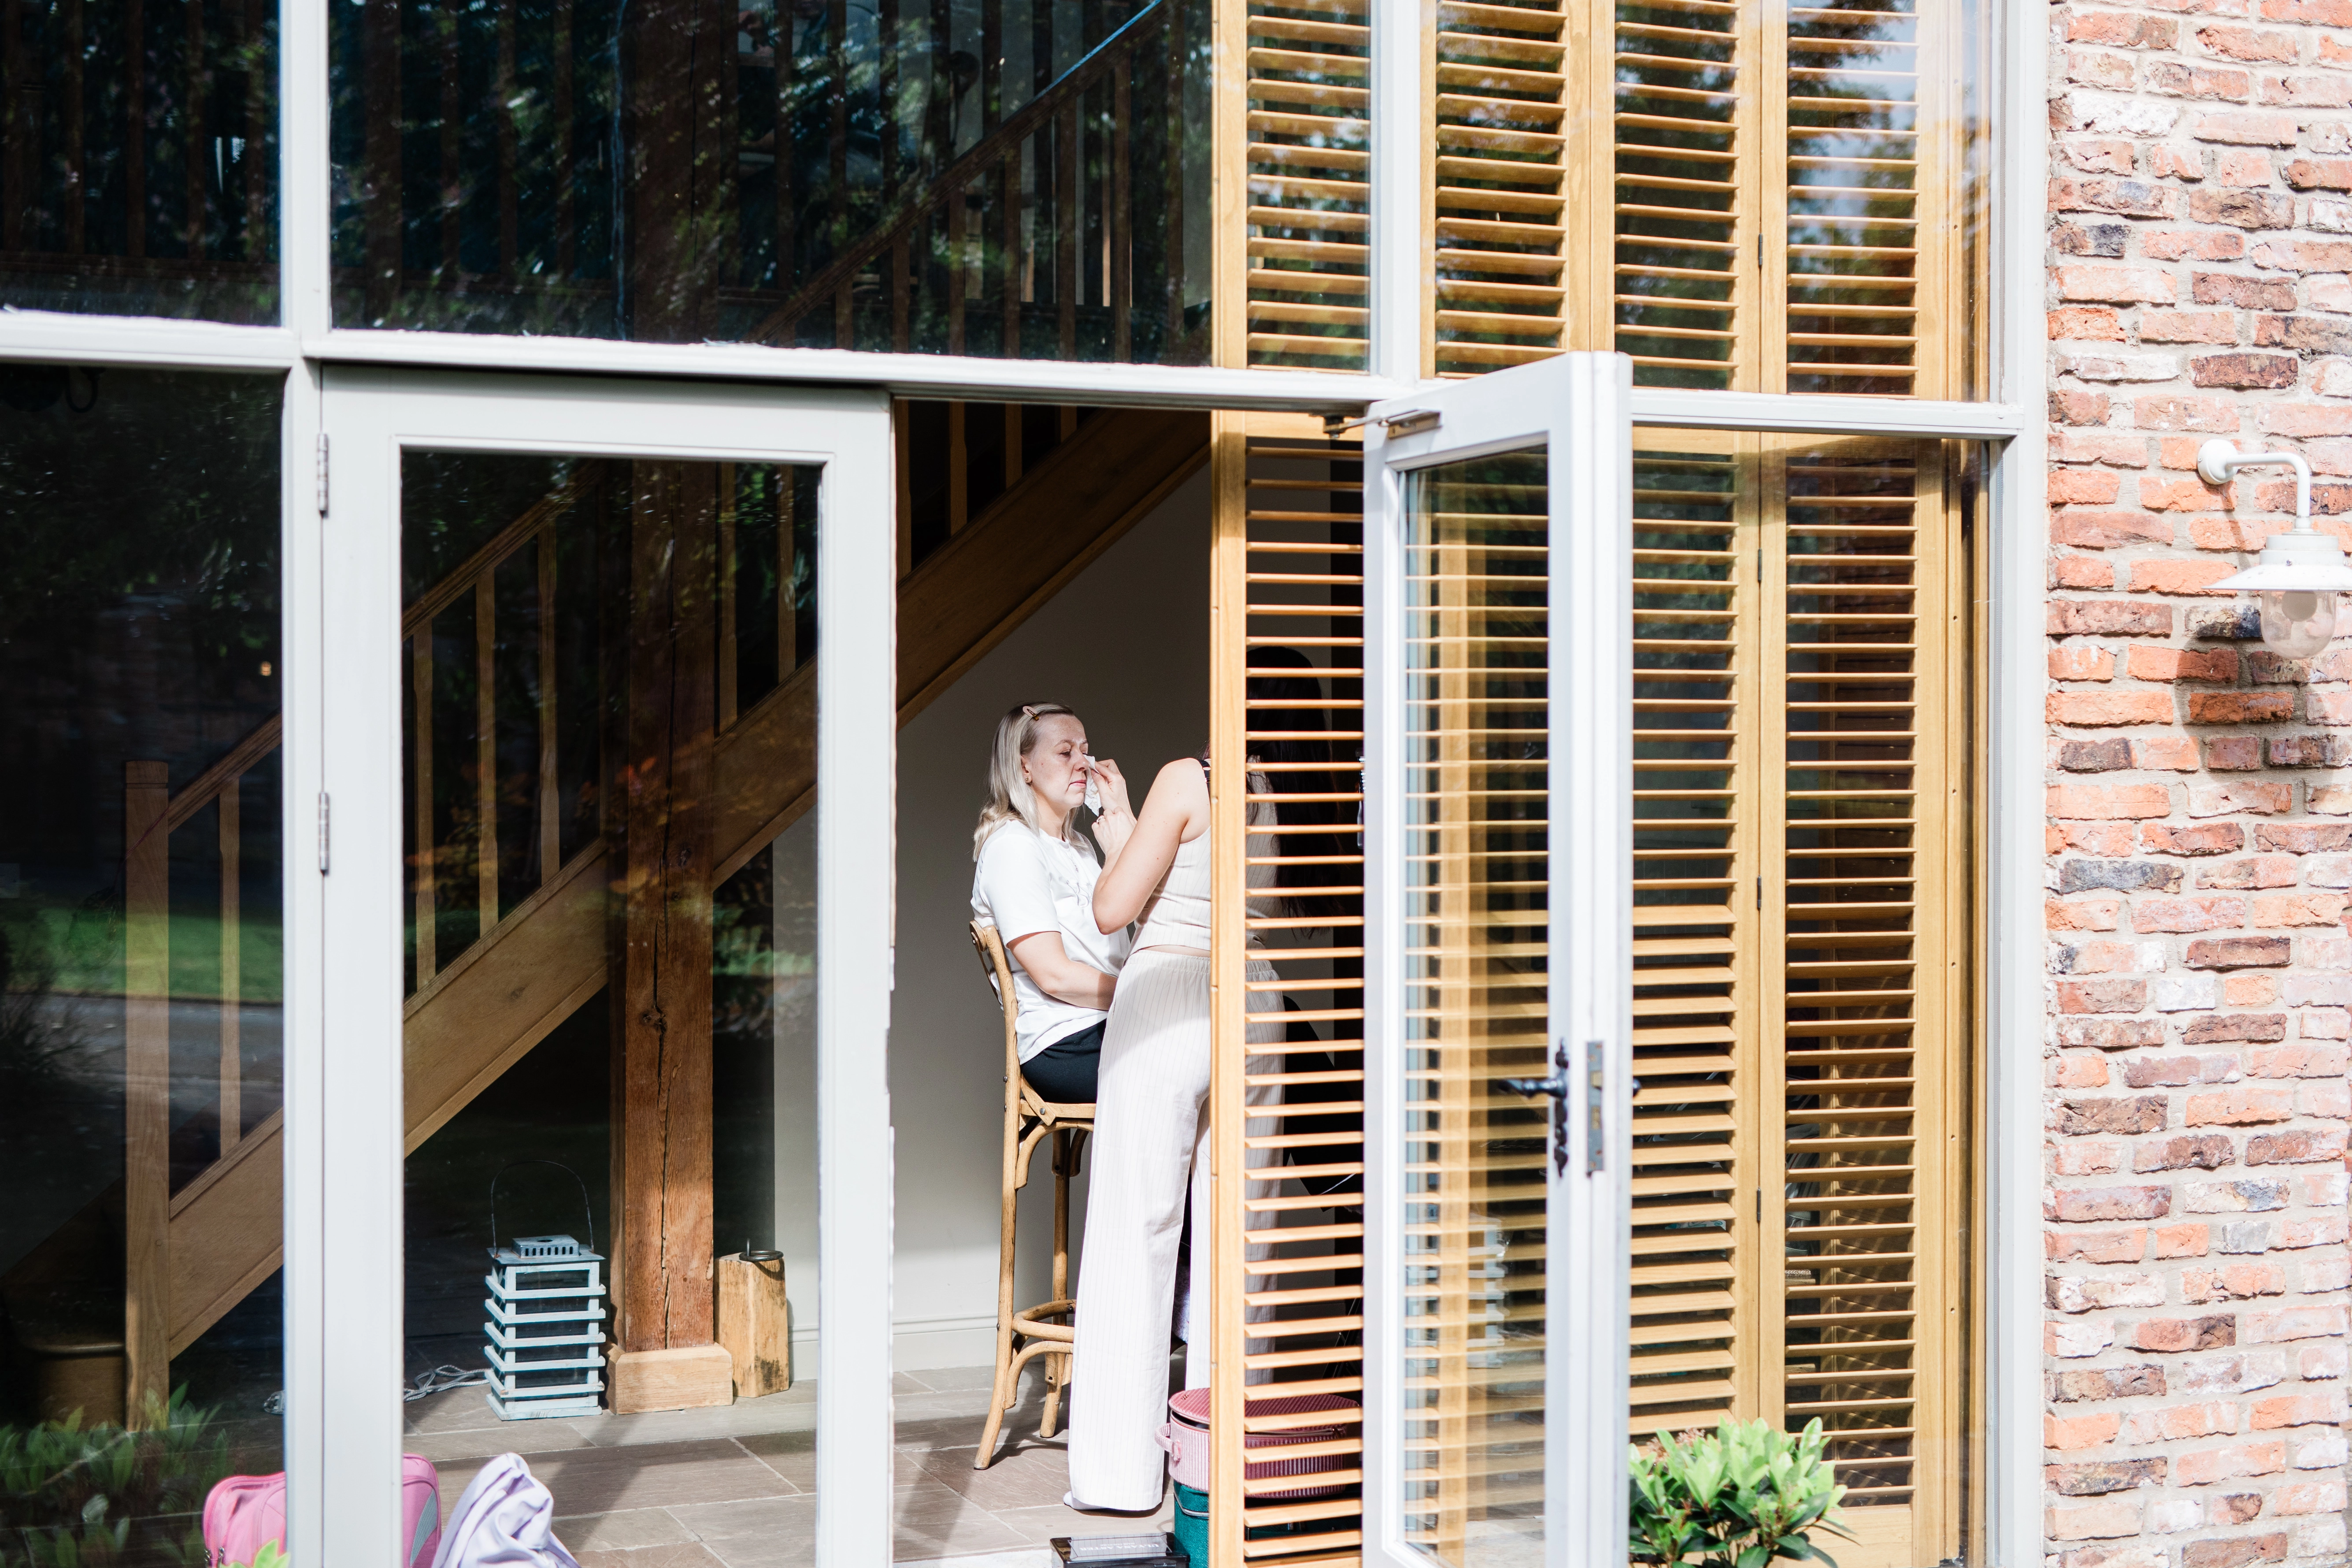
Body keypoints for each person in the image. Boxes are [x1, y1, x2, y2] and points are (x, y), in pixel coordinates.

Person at [1063, 751, 1280, 1512]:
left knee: (1137, 1233)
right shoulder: (1284, 788)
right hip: (1254, 1002)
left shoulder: (1190, 776)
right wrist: (1123, 816)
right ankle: (1216, 1461)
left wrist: (1118, 836)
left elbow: (1112, 906)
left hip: (1166, 998)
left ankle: (1118, 1476)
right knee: (1235, 1235)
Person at [970, 703, 1130, 1105]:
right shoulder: (1013, 845)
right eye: (1065, 752)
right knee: (1210, 1058)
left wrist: (1121, 813)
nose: (1085, 764)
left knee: (1262, 1027)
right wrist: (1144, 992)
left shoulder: (1078, 847)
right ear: (1024, 768)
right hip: (1065, 1040)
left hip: (1113, 1023)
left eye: (1085, 749)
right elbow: (1054, 976)